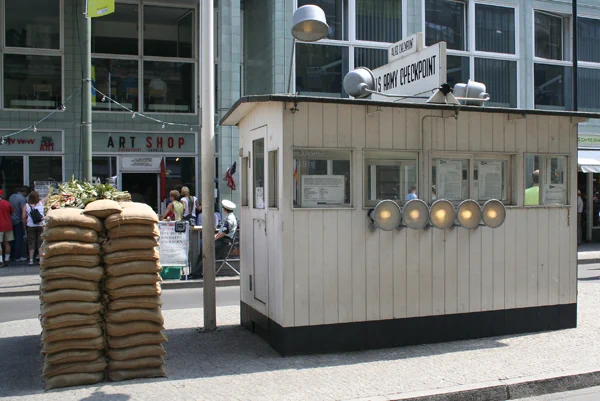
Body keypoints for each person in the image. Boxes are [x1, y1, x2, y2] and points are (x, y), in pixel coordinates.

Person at [189, 200, 237, 279]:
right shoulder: (231, 217)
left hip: (223, 242)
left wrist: (214, 238)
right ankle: (195, 272)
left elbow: (224, 232)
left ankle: (195, 273)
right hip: (224, 241)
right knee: (203, 251)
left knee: (206, 254)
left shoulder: (229, 219)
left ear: (225, 209)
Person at [22, 191, 44, 266]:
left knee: (31, 243)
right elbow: (48, 197)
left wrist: (24, 225)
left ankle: (31, 260)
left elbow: (23, 217)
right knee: (40, 243)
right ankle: (40, 260)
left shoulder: (26, 205)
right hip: (40, 225)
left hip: (30, 226)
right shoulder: (41, 203)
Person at [8, 186, 28, 262]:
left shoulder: (11, 197)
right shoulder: (22, 199)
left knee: (12, 239)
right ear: (24, 192)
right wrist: (25, 223)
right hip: (19, 221)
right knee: (19, 239)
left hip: (11, 220)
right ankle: (18, 256)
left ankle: (11, 255)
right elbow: (24, 212)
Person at [0, 190, 14, 267]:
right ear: (1, 195)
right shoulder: (6, 203)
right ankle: (7, 259)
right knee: (7, 243)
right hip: (8, 225)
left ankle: (0, 260)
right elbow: (11, 212)